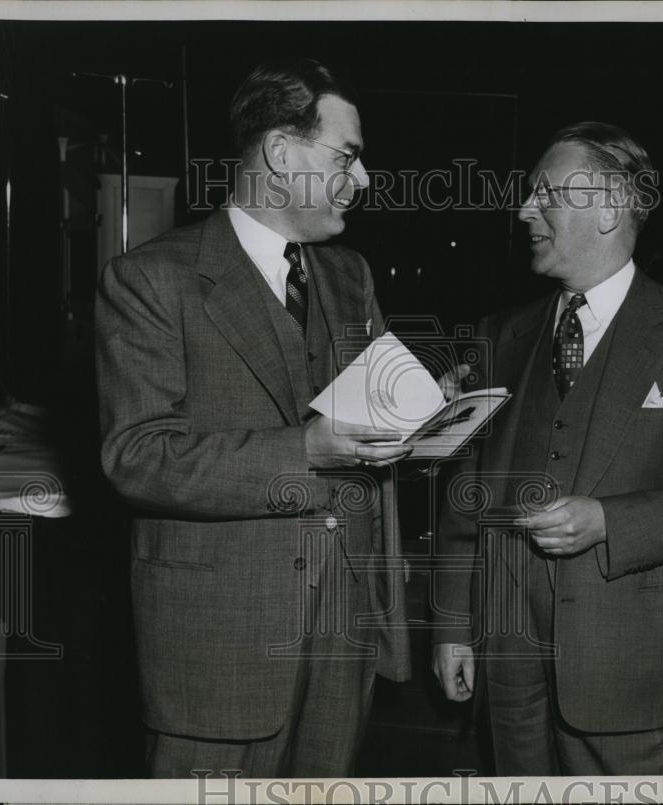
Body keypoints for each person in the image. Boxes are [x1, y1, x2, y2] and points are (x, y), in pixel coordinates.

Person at [96, 58, 415, 778]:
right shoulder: (149, 280)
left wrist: (424, 415)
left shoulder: (349, 274)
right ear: (279, 152)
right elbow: (138, 456)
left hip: (344, 637)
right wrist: (305, 449)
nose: (362, 181)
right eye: (349, 156)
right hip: (218, 649)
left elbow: (364, 428)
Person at [432, 122, 663, 775]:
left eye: (543, 194)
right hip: (508, 670)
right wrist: (449, 626)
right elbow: (463, 498)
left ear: (608, 210)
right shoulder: (502, 335)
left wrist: (610, 521)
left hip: (632, 677)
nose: (523, 210)